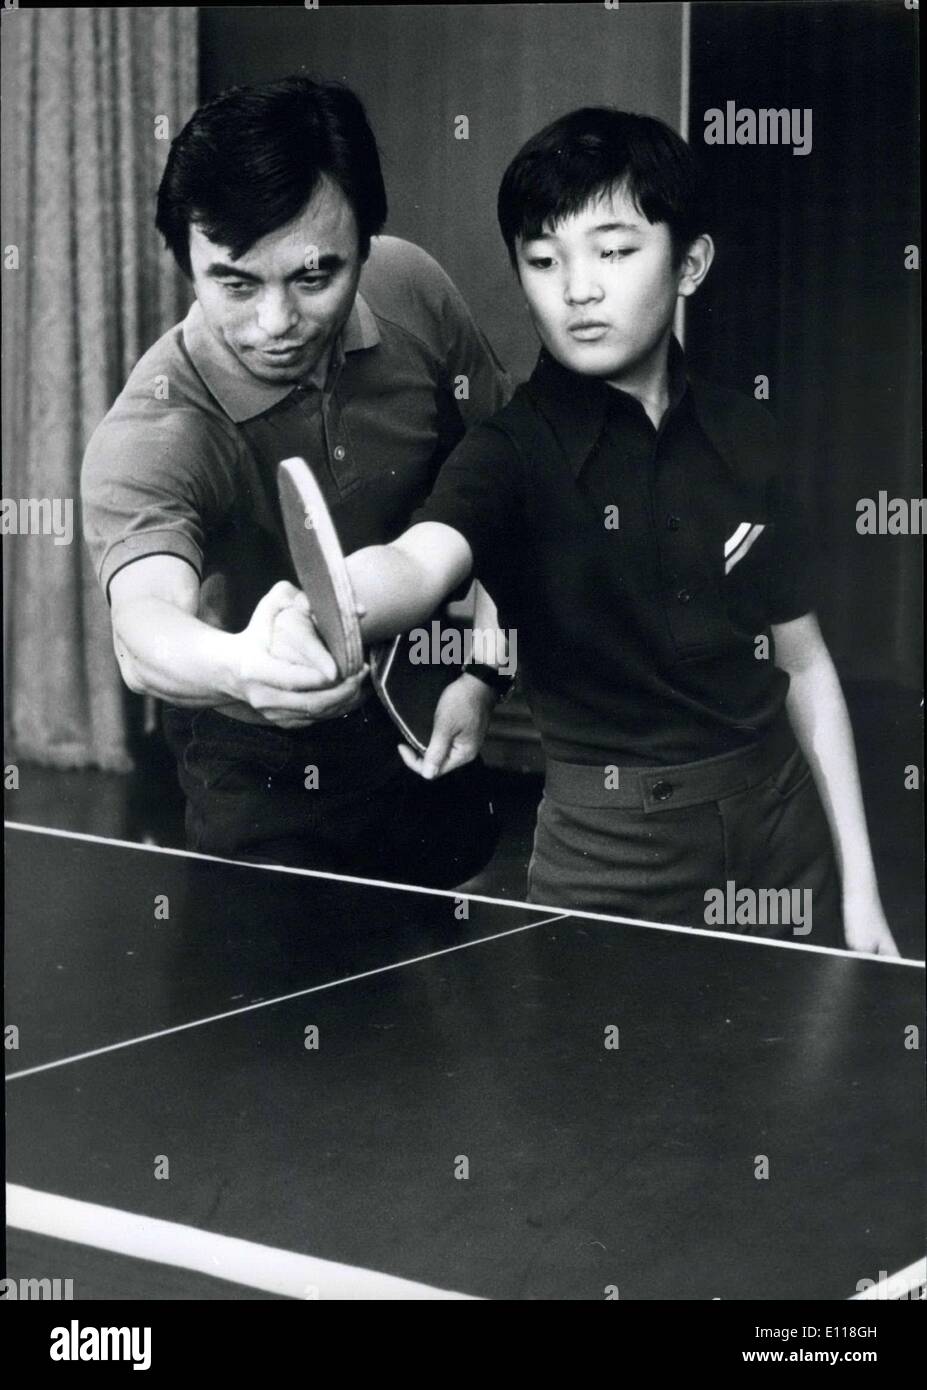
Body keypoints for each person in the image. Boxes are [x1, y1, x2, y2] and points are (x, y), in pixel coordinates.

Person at [273, 107, 897, 953]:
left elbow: (804, 665)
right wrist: (332, 600)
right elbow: (420, 561)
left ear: (690, 263)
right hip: (608, 862)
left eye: (613, 251)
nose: (577, 289)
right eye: (542, 260)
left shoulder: (748, 434)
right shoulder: (507, 453)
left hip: (779, 841)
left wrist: (861, 893)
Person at [81, 75, 511, 885]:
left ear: (368, 241)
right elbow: (144, 630)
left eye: (313, 277)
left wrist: (485, 672)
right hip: (255, 766)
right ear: (187, 263)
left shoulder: (412, 288)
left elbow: (509, 475)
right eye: (235, 283)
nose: (275, 324)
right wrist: (244, 665)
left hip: (420, 717)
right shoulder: (156, 431)